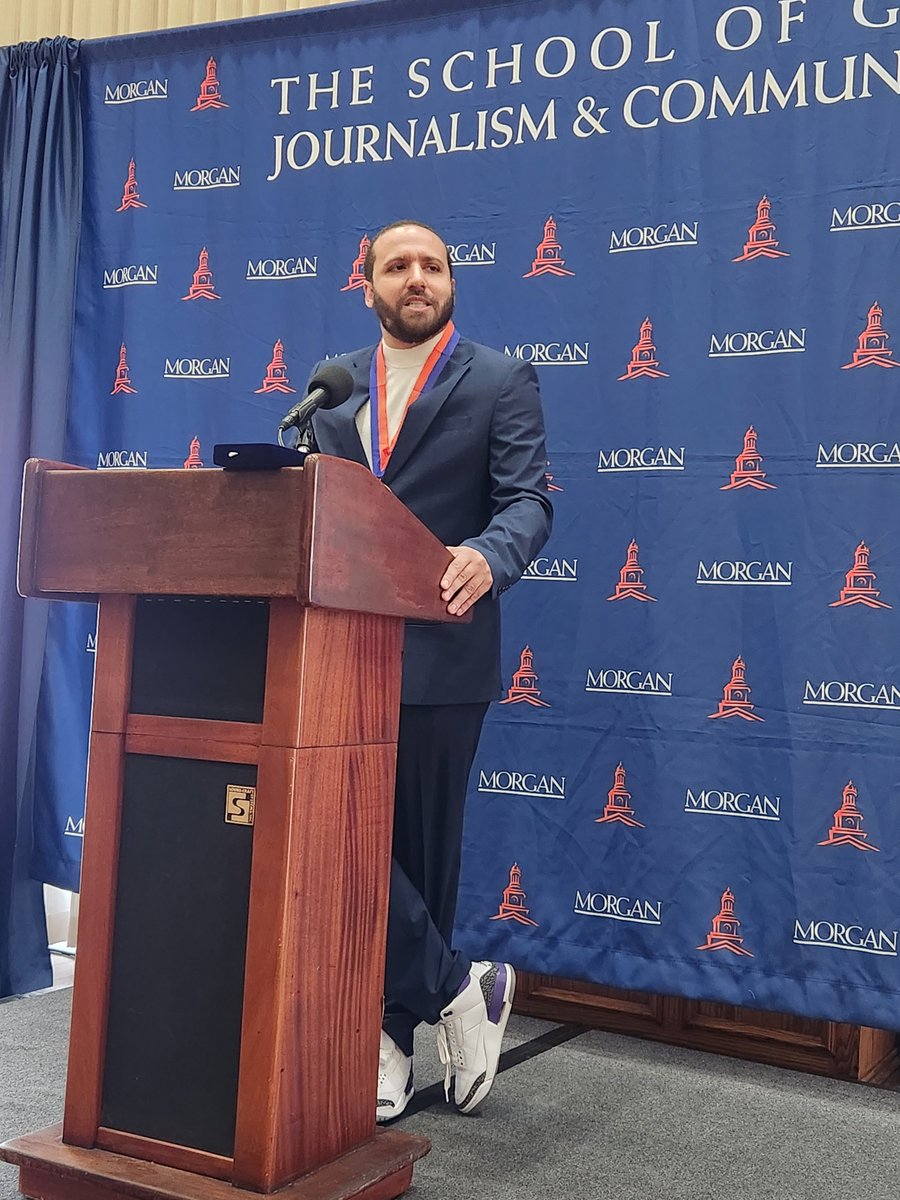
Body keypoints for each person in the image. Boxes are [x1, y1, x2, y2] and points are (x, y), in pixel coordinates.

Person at [309, 220, 552, 1120]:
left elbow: (530, 498)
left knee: (417, 853)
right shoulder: (331, 393)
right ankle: (459, 988)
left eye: (433, 266)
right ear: (363, 283)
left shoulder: (498, 379)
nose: (418, 278)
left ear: (451, 282)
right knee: (335, 841)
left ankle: (389, 1044)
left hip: (442, 652)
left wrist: (492, 555)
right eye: (398, 266)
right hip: (336, 653)